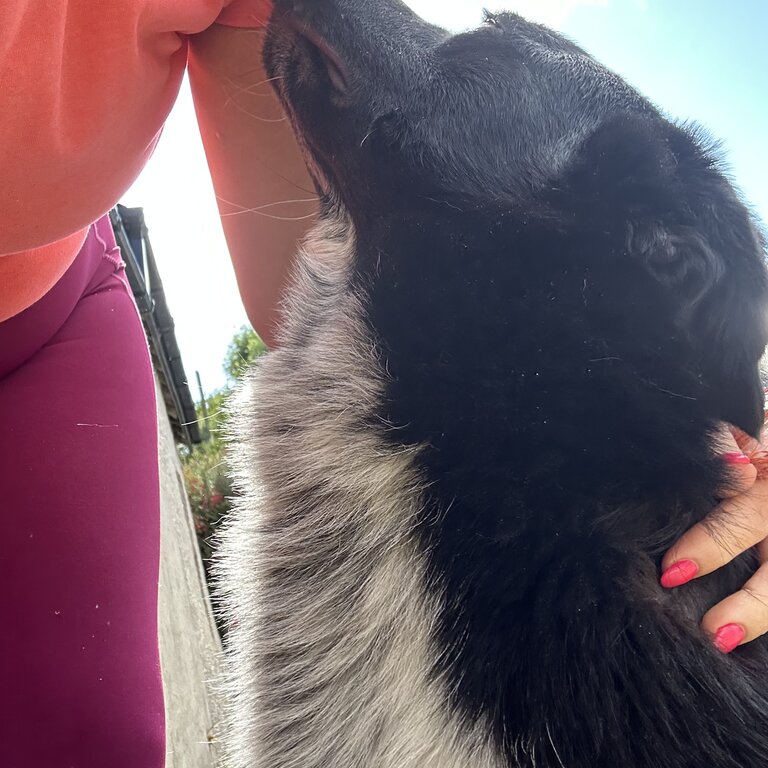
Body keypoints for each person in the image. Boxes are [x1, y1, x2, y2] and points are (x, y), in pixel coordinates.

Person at [0, 1, 766, 765]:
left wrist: (748, 413)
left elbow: (292, 262)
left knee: (89, 742)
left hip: (46, 300)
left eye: (488, 46)